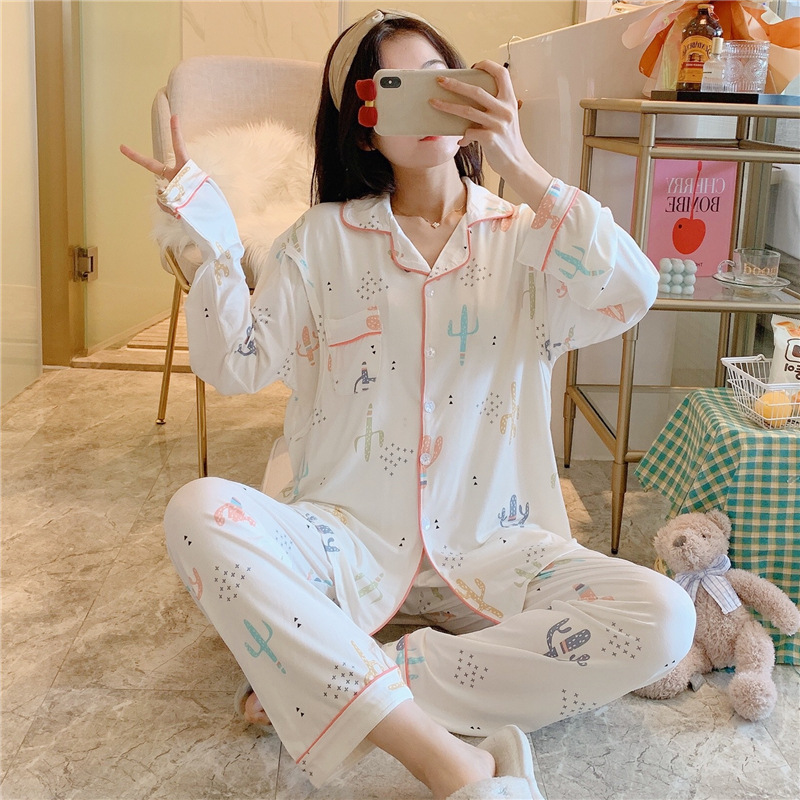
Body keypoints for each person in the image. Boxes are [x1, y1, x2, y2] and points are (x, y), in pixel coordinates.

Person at [121, 9, 696, 800]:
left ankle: (354, 681)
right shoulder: (320, 239)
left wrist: (521, 162)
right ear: (364, 127)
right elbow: (234, 366)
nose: (427, 102)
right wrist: (213, 242)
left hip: (497, 545)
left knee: (665, 618)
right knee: (196, 512)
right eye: (396, 87)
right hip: (346, 542)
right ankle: (452, 763)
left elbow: (633, 291)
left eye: (440, 81)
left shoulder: (528, 237)